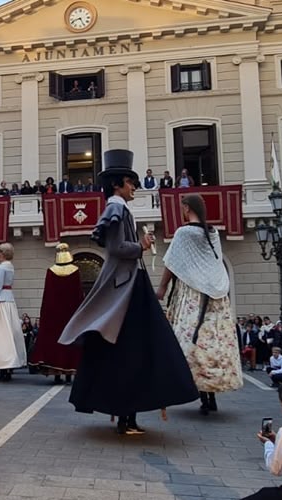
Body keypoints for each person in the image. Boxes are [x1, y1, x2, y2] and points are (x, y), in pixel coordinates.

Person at [58, 149, 199, 435]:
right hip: (127, 287)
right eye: (130, 182)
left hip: (131, 284)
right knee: (135, 350)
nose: (135, 187)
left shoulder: (119, 208)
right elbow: (115, 249)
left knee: (132, 350)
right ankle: (126, 415)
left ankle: (126, 413)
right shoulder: (116, 208)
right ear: (117, 185)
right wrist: (142, 246)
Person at [157, 194, 242, 415]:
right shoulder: (212, 233)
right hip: (215, 298)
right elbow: (213, 263)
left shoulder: (183, 233)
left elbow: (171, 262)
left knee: (190, 339)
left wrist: (162, 288)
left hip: (192, 294)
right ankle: (210, 393)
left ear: (186, 208)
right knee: (212, 340)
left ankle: (201, 393)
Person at [28, 243, 84, 384]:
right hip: (71, 314)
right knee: (71, 342)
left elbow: (48, 296)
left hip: (54, 315)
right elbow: (79, 295)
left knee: (56, 341)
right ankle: (69, 374)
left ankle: (57, 374)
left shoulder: (51, 271)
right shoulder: (75, 270)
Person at [0, 243, 27, 383]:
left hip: (1, 303)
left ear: (1, 254)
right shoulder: (10, 266)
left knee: (1, 335)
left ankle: (4, 366)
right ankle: (7, 369)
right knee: (10, 334)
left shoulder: (0, 268)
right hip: (9, 301)